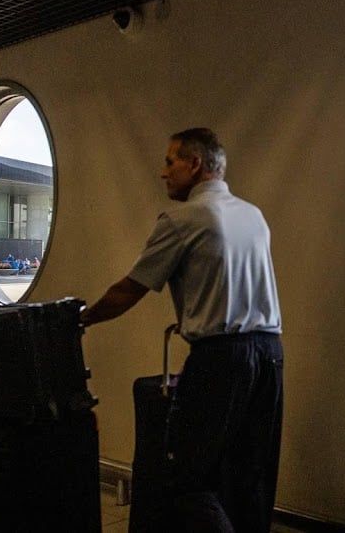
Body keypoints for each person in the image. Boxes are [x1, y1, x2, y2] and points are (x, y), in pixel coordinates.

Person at [80, 127, 283, 532]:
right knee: (249, 478)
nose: (163, 172)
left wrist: (82, 319)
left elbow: (128, 290)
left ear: (195, 164)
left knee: (185, 478)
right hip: (270, 354)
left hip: (221, 358)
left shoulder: (181, 219)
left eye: (170, 162)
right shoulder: (253, 215)